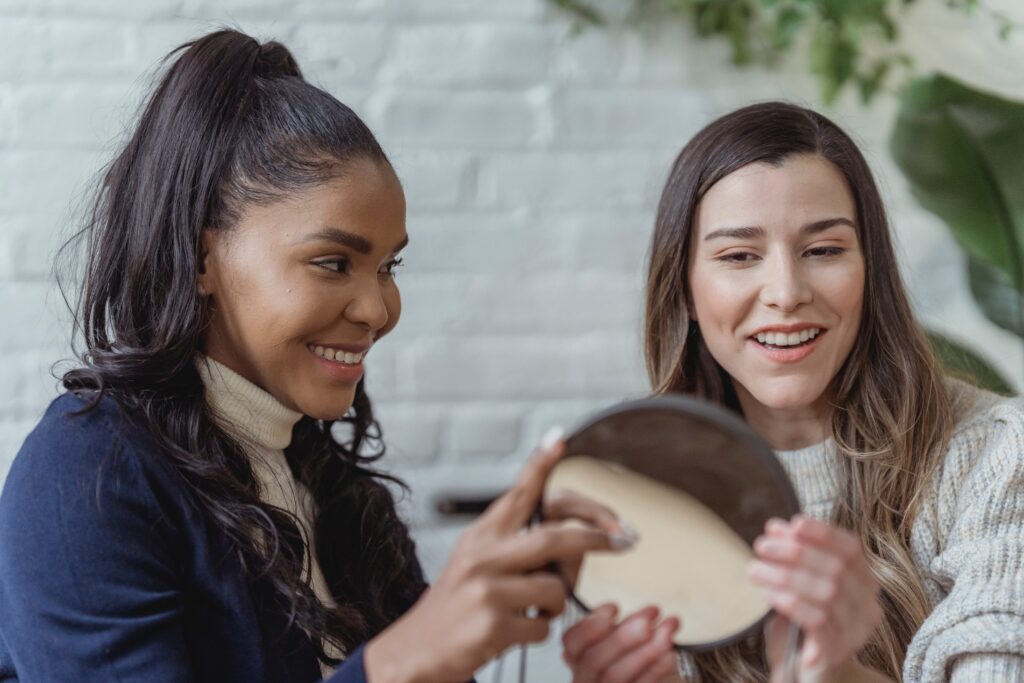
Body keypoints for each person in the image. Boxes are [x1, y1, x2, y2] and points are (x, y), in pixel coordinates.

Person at [0, 29, 635, 683]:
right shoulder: (87, 470)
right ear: (200, 258)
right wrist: (402, 658)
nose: (379, 309)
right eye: (333, 262)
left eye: (389, 266)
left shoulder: (333, 486)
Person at [561, 102, 1024, 682]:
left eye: (824, 250)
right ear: (685, 287)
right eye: (738, 256)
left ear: (870, 269)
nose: (785, 292)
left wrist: (837, 674)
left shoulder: (1000, 458)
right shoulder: (630, 495)